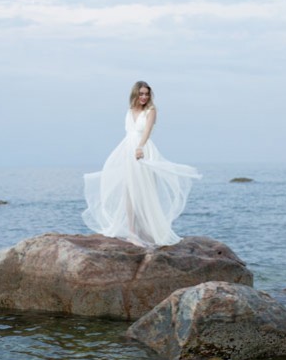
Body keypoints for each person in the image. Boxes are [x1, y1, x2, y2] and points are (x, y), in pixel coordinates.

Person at [82, 81, 202, 247]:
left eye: (146, 94)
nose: (144, 97)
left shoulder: (151, 111)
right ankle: (132, 232)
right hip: (126, 149)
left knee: (144, 190)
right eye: (141, 94)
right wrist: (131, 148)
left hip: (142, 150)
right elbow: (129, 132)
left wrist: (140, 147)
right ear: (135, 95)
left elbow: (146, 131)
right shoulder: (129, 111)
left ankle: (146, 230)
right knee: (128, 191)